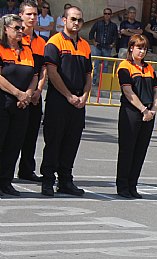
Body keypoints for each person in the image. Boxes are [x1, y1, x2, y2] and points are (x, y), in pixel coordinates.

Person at [40, 5, 91, 197]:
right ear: (64, 20)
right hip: (59, 100)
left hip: (78, 102)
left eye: (79, 20)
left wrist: (85, 95)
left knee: (71, 142)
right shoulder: (54, 42)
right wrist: (69, 96)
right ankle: (47, 180)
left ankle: (65, 181)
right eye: (73, 19)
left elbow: (88, 74)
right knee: (54, 141)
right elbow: (52, 73)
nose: (76, 23)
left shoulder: (85, 45)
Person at [115, 34, 157, 198]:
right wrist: (143, 110)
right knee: (127, 150)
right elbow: (128, 91)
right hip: (131, 112)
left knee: (140, 150)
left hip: (148, 113)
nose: (142, 51)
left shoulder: (149, 68)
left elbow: (156, 89)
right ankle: (123, 185)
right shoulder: (125, 66)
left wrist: (153, 109)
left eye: (144, 48)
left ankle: (133, 185)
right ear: (131, 48)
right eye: (139, 47)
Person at [0, 13, 38, 196]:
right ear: (5, 29)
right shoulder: (1, 48)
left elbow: (34, 75)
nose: (21, 31)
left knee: (14, 144)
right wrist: (17, 93)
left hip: (22, 104)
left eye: (22, 28)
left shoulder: (27, 49)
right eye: (17, 28)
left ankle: (6, 182)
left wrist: (28, 94)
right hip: (3, 102)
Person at [17, 0, 46, 183]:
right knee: (10, 135)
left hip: (34, 95)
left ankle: (27, 170)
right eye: (29, 14)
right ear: (20, 15)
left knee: (31, 134)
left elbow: (43, 69)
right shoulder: (14, 39)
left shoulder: (41, 41)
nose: (33, 17)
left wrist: (38, 91)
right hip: (16, 94)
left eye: (35, 14)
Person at [88, 7, 118, 84]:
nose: (107, 15)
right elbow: (91, 33)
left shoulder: (114, 26)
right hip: (98, 47)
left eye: (108, 14)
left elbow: (116, 36)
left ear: (111, 15)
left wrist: (112, 45)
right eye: (105, 13)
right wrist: (94, 42)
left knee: (105, 66)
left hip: (107, 47)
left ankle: (103, 82)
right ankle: (93, 81)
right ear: (103, 15)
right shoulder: (98, 23)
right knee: (95, 65)